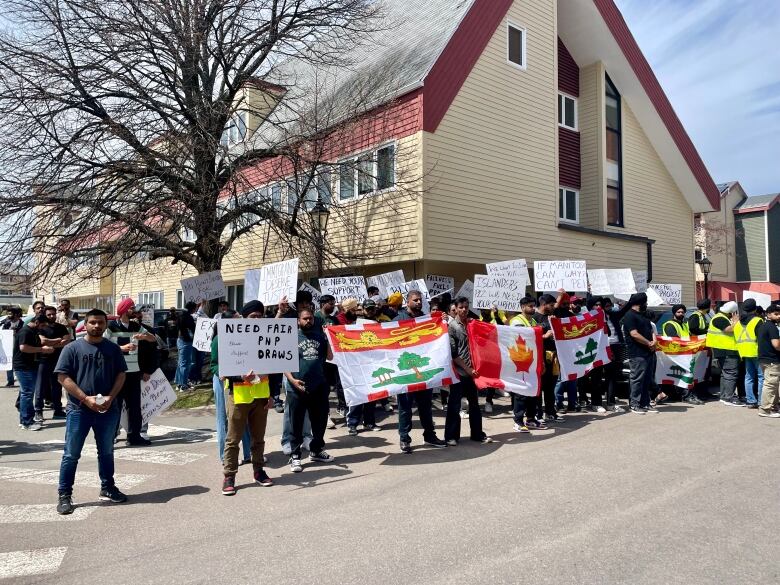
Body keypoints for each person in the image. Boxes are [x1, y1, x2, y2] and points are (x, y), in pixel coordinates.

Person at [55, 309, 129, 515]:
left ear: (106, 325)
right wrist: (84, 398)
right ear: (85, 325)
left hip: (107, 409)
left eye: (100, 323)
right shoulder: (72, 348)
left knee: (106, 452)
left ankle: (108, 487)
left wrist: (111, 398)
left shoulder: (113, 349)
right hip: (79, 410)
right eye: (93, 322)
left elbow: (121, 375)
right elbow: (63, 377)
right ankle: (64, 495)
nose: (97, 326)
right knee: (71, 454)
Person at [221, 300, 274, 495]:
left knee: (258, 439)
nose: (257, 320)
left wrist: (272, 395)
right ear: (244, 317)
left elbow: (275, 367)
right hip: (239, 396)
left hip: (261, 396)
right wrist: (240, 376)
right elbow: (223, 369)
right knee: (233, 440)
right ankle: (229, 476)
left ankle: (258, 471)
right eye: (253, 317)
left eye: (260, 316)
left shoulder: (268, 335)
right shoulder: (231, 335)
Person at [394, 290, 446, 453]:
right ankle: (404, 438)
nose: (418, 302)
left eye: (420, 300)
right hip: (405, 373)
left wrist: (442, 321)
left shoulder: (426, 319)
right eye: (415, 300)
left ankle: (429, 435)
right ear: (407, 302)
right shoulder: (398, 320)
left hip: (423, 371)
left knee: (425, 406)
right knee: (405, 408)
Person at [285, 308, 335, 472]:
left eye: (311, 319)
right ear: (298, 321)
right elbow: (283, 363)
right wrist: (292, 380)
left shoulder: (319, 336)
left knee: (319, 422)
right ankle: (296, 455)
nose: (308, 321)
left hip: (319, 386)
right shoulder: (290, 338)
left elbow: (330, 357)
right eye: (305, 319)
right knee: (296, 424)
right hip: (298, 388)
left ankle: (316, 450)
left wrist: (327, 338)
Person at [105, 298, 157, 445]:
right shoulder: (111, 326)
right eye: (132, 308)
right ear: (123, 310)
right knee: (115, 405)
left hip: (134, 371)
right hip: (118, 372)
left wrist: (144, 336)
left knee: (134, 405)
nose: (134, 311)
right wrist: (121, 348)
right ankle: (110, 435)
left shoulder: (136, 326)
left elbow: (153, 339)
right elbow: (103, 345)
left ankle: (134, 436)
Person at [445, 296, 492, 445]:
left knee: (474, 405)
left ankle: (477, 434)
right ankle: (452, 436)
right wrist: (468, 369)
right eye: (461, 307)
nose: (464, 310)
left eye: (466, 307)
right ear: (456, 309)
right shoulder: (452, 326)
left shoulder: (472, 324)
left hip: (473, 372)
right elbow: (453, 354)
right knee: (455, 405)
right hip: (459, 372)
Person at [209, 309, 252, 465]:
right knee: (223, 419)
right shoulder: (218, 340)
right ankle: (224, 457)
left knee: (243, 417)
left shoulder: (243, 337)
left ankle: (249, 454)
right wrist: (221, 373)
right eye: (236, 318)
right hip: (222, 382)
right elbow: (213, 365)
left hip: (240, 380)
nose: (240, 320)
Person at [508, 296, 546, 430]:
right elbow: (524, 337)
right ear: (522, 307)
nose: (533, 308)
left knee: (533, 391)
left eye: (533, 305)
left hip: (533, 361)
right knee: (521, 393)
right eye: (530, 306)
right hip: (521, 361)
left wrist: (541, 363)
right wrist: (543, 336)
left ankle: (531, 418)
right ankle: (518, 421)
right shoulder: (516, 321)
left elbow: (537, 344)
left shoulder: (533, 320)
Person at [346, 299, 382, 435]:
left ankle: (369, 422)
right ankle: (352, 424)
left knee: (372, 395)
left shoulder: (378, 324)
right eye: (368, 309)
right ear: (363, 310)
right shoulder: (355, 325)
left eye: (373, 308)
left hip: (373, 364)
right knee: (357, 395)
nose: (371, 311)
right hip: (358, 365)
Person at [14, 315, 54, 430]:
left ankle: (25, 420)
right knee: (27, 394)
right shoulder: (25, 331)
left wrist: (43, 347)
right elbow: (23, 347)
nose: (42, 328)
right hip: (24, 366)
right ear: (36, 322)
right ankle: (27, 422)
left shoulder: (32, 331)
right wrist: (42, 349)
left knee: (25, 393)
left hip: (29, 365)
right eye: (42, 325)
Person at [622, 293, 659, 414]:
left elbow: (651, 330)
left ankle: (645, 403)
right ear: (640, 303)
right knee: (637, 379)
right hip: (637, 353)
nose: (646, 304)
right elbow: (634, 334)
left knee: (647, 379)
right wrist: (649, 343)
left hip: (649, 353)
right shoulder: (629, 316)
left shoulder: (643, 315)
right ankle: (634, 404)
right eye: (645, 302)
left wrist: (654, 341)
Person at [35, 306, 71, 421]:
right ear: (45, 315)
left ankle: (58, 410)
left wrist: (51, 344)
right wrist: (58, 340)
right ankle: (38, 411)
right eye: (49, 314)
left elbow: (66, 340)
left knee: (57, 387)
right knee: (40, 387)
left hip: (58, 360)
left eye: (53, 314)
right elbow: (42, 341)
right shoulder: (41, 327)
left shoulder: (61, 327)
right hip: (43, 360)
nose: (52, 316)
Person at [534, 294, 564, 423]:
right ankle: (537, 414)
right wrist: (545, 336)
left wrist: (555, 325)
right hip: (541, 357)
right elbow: (531, 338)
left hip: (554, 356)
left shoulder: (552, 317)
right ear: (544, 304)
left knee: (550, 387)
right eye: (551, 305)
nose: (553, 307)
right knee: (540, 387)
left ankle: (551, 412)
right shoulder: (534, 318)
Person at [706, 301, 742, 406]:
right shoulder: (719, 318)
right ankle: (728, 397)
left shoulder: (721, 317)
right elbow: (729, 329)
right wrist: (735, 321)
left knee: (725, 373)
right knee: (731, 373)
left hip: (724, 349)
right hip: (726, 350)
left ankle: (725, 396)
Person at [734, 298, 764, 409]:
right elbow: (761, 338)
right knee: (761, 377)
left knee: (749, 377)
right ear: (754, 309)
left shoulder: (738, 323)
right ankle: (761, 401)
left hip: (744, 352)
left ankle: (751, 401)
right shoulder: (757, 320)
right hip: (756, 351)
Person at [756, 303, 780, 418]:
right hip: (771, 359)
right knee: (770, 384)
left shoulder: (763, 325)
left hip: (764, 358)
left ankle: (773, 407)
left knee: (772, 384)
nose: (779, 316)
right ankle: (765, 409)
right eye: (776, 314)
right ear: (769, 314)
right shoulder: (772, 327)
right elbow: (776, 345)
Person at [175, 301, 197, 391]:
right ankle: (183, 386)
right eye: (195, 308)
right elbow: (193, 328)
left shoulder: (180, 315)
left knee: (180, 363)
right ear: (192, 308)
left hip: (180, 340)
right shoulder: (188, 317)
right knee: (185, 363)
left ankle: (179, 383)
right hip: (186, 341)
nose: (195, 310)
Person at [2, 307, 24, 387]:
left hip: (18, 347)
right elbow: (3, 332)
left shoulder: (21, 323)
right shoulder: (7, 323)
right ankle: (10, 381)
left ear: (15, 314)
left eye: (10, 313)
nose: (9, 315)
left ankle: (21, 380)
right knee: (9, 364)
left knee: (18, 364)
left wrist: (17, 333)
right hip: (9, 347)